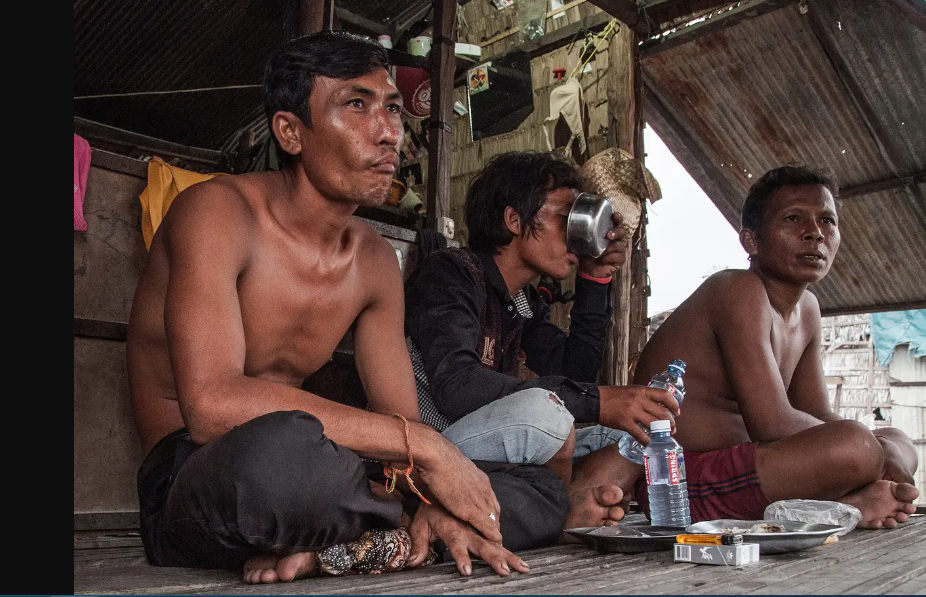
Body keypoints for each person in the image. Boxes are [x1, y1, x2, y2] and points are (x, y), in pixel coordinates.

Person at [126, 31, 571, 585]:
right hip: (198, 474)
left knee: (540, 490)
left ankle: (366, 541)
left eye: (390, 108)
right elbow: (212, 406)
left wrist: (428, 477)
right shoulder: (217, 212)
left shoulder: (374, 259)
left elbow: (402, 418)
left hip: (331, 476)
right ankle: (402, 531)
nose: (388, 131)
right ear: (291, 132)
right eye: (356, 105)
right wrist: (427, 454)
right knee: (280, 457)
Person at [404, 151, 680, 531]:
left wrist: (594, 280)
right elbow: (457, 386)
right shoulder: (451, 274)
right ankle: (557, 512)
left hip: (491, 451)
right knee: (548, 413)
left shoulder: (521, 300)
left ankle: (562, 509)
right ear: (514, 220)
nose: (575, 236)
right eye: (565, 220)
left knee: (637, 428)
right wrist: (594, 400)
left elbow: (574, 372)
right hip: (431, 453)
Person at [633, 164, 919, 528]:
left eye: (827, 221)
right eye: (793, 218)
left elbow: (817, 414)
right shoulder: (736, 289)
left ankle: (849, 500)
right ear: (751, 241)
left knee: (896, 439)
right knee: (859, 447)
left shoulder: (809, 308)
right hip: (676, 481)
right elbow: (773, 423)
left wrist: (886, 449)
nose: (814, 233)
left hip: (755, 470)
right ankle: (848, 505)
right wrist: (873, 454)